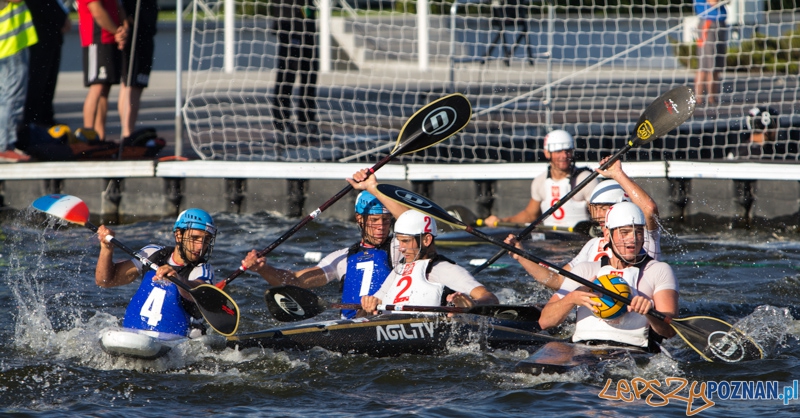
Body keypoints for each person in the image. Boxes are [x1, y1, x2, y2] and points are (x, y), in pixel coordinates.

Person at [537, 202, 677, 351]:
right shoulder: (585, 270)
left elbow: (669, 332)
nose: (633, 239)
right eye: (624, 232)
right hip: (582, 350)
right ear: (607, 235)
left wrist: (650, 313)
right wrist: (572, 298)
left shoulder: (658, 270)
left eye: (638, 232)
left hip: (633, 353)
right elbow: (545, 322)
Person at [506, 157, 662, 290]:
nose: (600, 216)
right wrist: (521, 255)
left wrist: (618, 174)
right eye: (596, 209)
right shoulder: (592, 245)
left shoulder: (642, 237)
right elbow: (558, 281)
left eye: (605, 209)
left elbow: (649, 209)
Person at [246, 190, 400, 319]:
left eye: (386, 220)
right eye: (374, 220)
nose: (381, 226)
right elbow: (296, 281)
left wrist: (372, 187)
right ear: (359, 219)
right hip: (350, 327)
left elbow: (419, 224)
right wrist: (263, 269)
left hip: (385, 321)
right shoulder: (342, 258)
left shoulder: (400, 247)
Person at [95, 209, 229, 337]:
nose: (200, 247)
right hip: (136, 335)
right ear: (178, 235)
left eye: (206, 240)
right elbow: (105, 281)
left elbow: (198, 291)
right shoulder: (152, 254)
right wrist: (107, 249)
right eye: (195, 238)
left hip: (177, 340)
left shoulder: (203, 269)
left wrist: (178, 279)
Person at [360, 210, 499, 315]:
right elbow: (377, 302)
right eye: (399, 241)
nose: (401, 248)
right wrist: (369, 304)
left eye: (406, 241)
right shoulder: (400, 269)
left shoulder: (445, 269)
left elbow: (490, 298)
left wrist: (471, 304)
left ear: (426, 240)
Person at [483, 130, 599, 228]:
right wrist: (503, 221)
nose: (564, 156)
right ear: (547, 153)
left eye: (567, 151)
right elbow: (530, 215)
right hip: (551, 241)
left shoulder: (585, 180)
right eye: (558, 151)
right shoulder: (540, 182)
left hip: (579, 241)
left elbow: (599, 216)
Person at [77, 0, 128, 141]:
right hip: (96, 39)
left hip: (109, 39)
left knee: (104, 89)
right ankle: (87, 135)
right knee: (97, 86)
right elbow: (97, 11)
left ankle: (100, 136)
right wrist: (116, 31)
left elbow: (118, 6)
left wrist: (123, 28)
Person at [270, 0, 318, 137]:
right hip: (289, 24)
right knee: (287, 75)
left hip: (306, 25)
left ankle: (306, 120)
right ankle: (282, 122)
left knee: (309, 74)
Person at [0, 0, 38, 163]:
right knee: (11, 98)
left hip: (9, 46)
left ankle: (5, 144)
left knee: (7, 98)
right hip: (10, 45)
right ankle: (4, 146)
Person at [23, 0, 70, 128]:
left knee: (48, 78)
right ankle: (34, 122)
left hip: (51, 31)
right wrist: (61, 18)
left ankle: (44, 118)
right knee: (38, 78)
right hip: (40, 30)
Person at [119, 0, 157, 141]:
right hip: (137, 30)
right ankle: (128, 133)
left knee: (130, 84)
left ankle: (127, 131)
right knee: (132, 84)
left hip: (142, 29)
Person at [694, 0, 727, 107]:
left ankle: (712, 97)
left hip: (719, 24)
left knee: (716, 66)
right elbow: (713, 1)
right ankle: (699, 98)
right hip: (709, 24)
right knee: (707, 65)